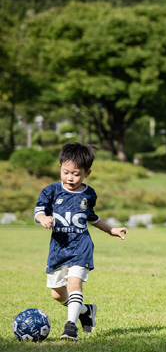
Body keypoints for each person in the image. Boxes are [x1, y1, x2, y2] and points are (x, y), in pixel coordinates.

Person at [34, 142, 128, 340]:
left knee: (74, 285)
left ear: (87, 173)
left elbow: (91, 217)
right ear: (60, 167)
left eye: (76, 174)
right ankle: (85, 311)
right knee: (57, 294)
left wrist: (111, 230)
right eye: (66, 172)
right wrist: (43, 218)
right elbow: (39, 211)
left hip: (81, 247)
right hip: (58, 249)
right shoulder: (51, 191)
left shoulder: (88, 194)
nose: (70, 177)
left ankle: (70, 327)